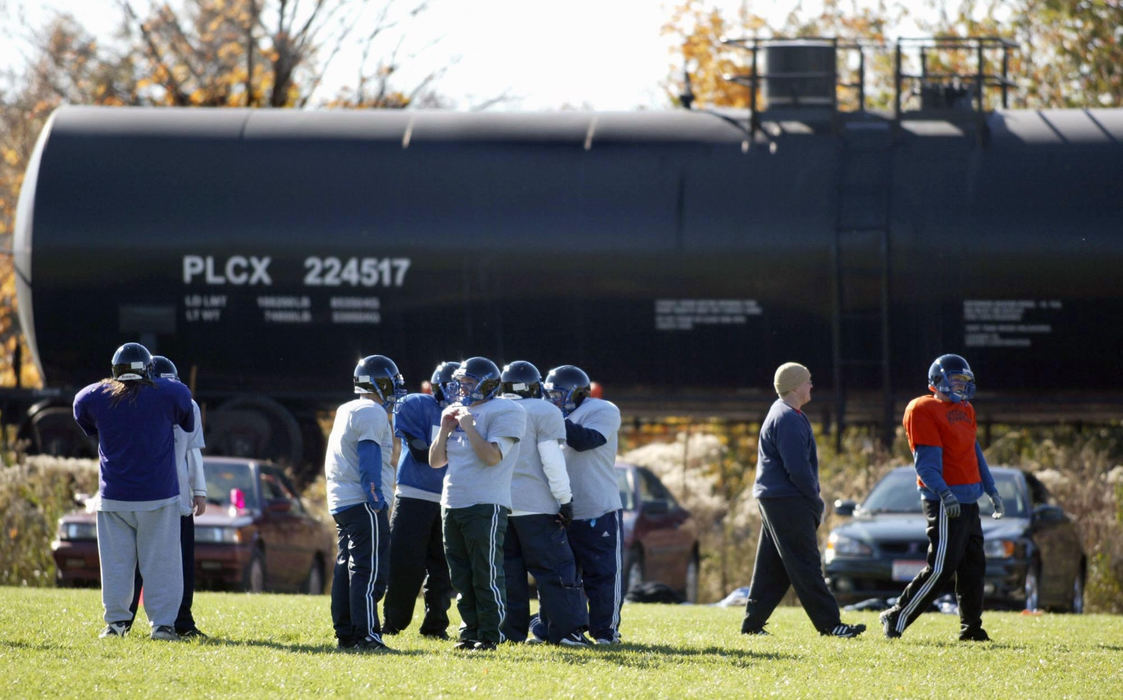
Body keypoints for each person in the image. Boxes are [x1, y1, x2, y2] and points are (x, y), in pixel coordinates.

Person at [72, 342, 195, 641]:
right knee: (162, 563)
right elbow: (186, 415)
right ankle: (163, 625)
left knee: (116, 565)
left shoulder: (95, 396)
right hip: (158, 495)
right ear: (148, 370)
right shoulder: (169, 393)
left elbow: (81, 406)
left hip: (114, 496)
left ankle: (115, 623)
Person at [880, 354, 1004, 641]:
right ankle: (896, 615)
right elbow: (925, 463)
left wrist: (991, 488)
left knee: (973, 568)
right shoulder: (923, 408)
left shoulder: (966, 409)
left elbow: (974, 452)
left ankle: (971, 629)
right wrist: (944, 493)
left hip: (969, 500)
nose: (960, 386)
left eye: (964, 380)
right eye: (955, 380)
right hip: (946, 502)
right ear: (937, 381)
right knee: (941, 568)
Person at [741, 362, 866, 638]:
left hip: (776, 498)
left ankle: (752, 625)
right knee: (806, 564)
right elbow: (797, 469)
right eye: (808, 381)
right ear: (796, 386)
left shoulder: (786, 413)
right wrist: (814, 500)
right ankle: (831, 625)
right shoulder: (787, 417)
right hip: (788, 499)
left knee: (773, 566)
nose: (811, 386)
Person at [429, 356, 526, 651]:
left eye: (469, 383)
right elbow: (435, 461)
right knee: (460, 574)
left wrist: (470, 427)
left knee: (485, 571)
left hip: (485, 502)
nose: (462, 389)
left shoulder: (508, 409)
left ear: (488, 385)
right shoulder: (453, 410)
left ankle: (489, 634)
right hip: (451, 501)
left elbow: (492, 457)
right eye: (460, 383)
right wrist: (446, 429)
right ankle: (469, 631)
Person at [497, 361, 589, 646]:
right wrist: (565, 499)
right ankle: (566, 632)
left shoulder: (493, 409)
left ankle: (509, 633)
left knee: (509, 575)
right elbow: (552, 459)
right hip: (537, 507)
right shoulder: (544, 410)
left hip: (499, 504)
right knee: (556, 571)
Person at [325, 354, 405, 651]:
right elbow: (369, 455)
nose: (396, 390)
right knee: (369, 570)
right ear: (380, 382)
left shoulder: (348, 408)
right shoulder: (371, 411)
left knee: (347, 566)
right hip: (362, 501)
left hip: (342, 500)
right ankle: (367, 635)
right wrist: (375, 497)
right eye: (392, 383)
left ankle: (346, 633)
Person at [126, 355, 208, 638]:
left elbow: (191, 452)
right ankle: (179, 621)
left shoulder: (138, 401)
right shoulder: (187, 403)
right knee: (176, 564)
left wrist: (199, 491)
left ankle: (125, 622)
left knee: (138, 562)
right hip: (173, 496)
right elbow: (193, 453)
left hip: (149, 495)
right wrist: (199, 491)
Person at [541, 364, 623, 645]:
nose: (554, 400)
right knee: (560, 577)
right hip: (560, 509)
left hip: (597, 508)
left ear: (578, 393)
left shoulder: (603, 410)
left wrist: (549, 417)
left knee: (601, 575)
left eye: (559, 394)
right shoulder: (551, 413)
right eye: (549, 395)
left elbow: (586, 441)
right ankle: (554, 627)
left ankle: (605, 631)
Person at [381, 361, 460, 639]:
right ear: (437, 387)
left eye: (461, 387)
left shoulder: (472, 414)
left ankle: (436, 625)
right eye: (451, 387)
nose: (457, 393)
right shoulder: (416, 405)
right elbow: (418, 452)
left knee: (443, 567)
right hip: (414, 495)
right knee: (405, 563)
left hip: (450, 498)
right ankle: (393, 622)